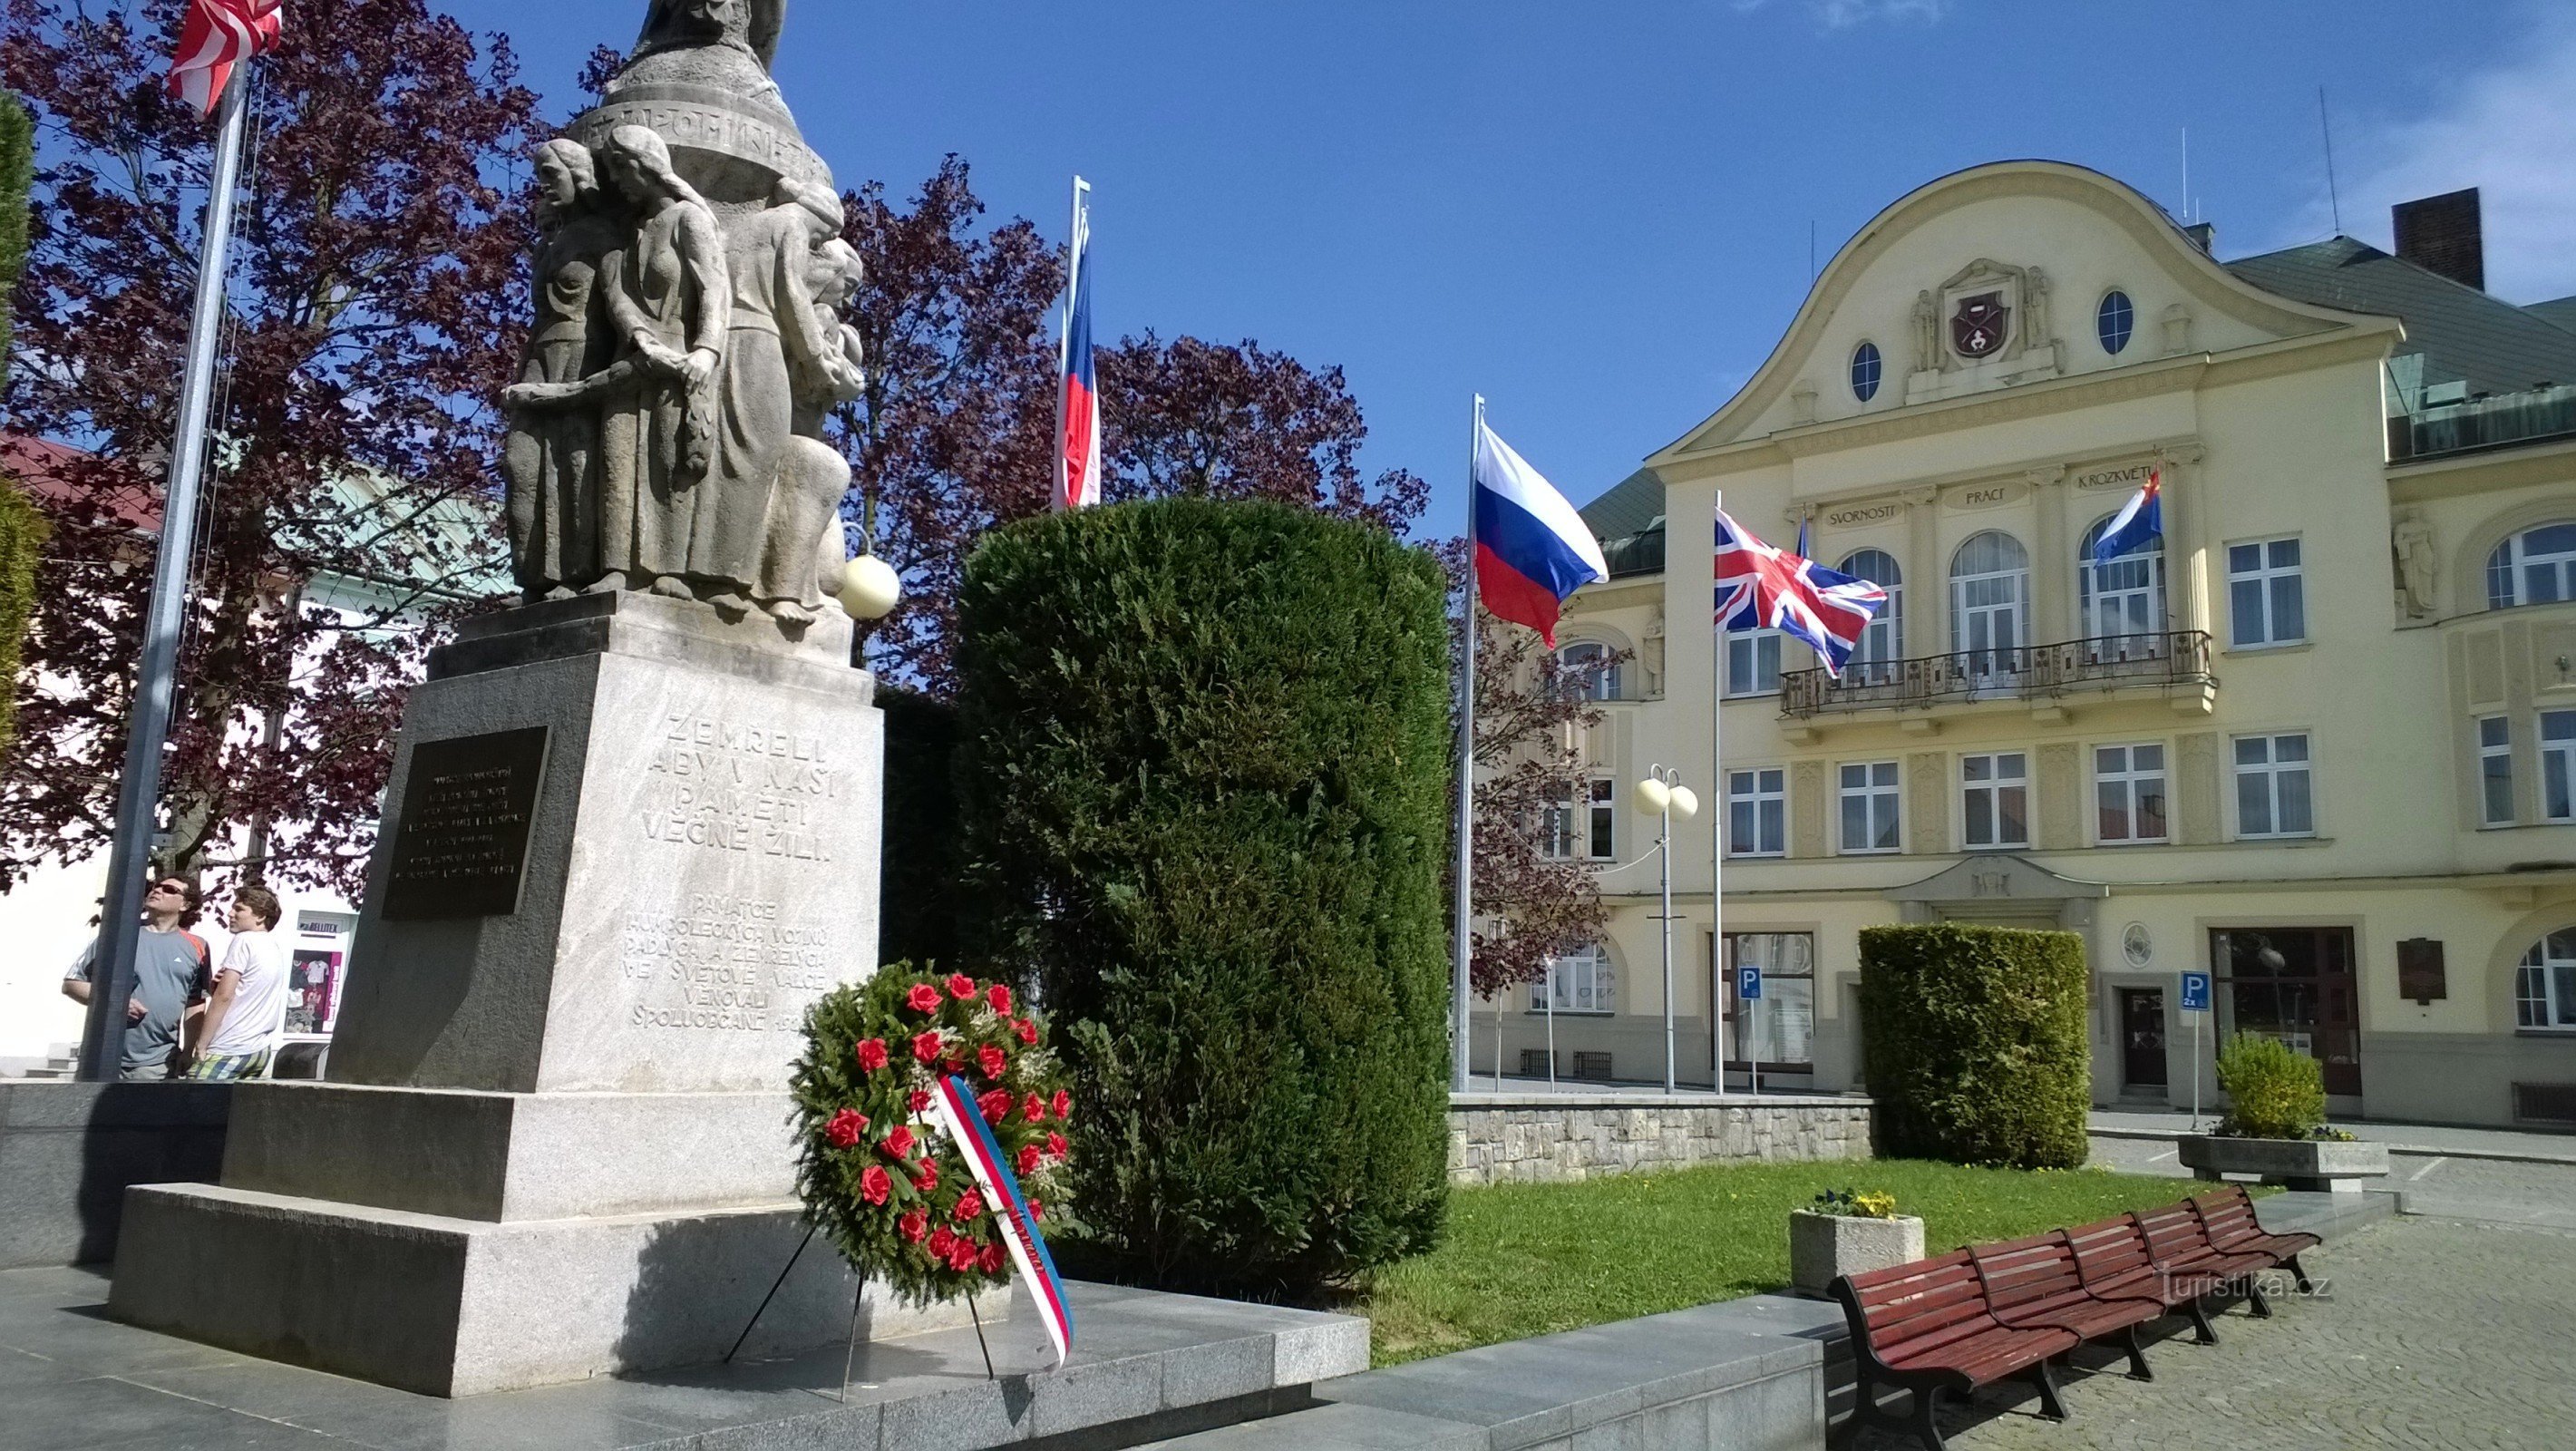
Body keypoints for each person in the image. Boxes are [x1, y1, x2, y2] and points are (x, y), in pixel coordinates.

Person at [61, 877, 212, 1081]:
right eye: (155, 886)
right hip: (103, 1058)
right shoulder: (118, 935)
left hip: (158, 1063)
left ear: (185, 904)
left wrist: (188, 1050)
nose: (157, 890)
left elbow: (195, 1003)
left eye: (168, 889)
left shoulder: (197, 946)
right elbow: (71, 984)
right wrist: (115, 1002)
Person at [185, 885, 292, 1081]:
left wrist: (201, 1044)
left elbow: (224, 996)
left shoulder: (244, 940)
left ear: (260, 916)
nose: (230, 913)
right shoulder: (272, 946)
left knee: (191, 1103)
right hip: (259, 1049)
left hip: (229, 1045)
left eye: (239, 909)